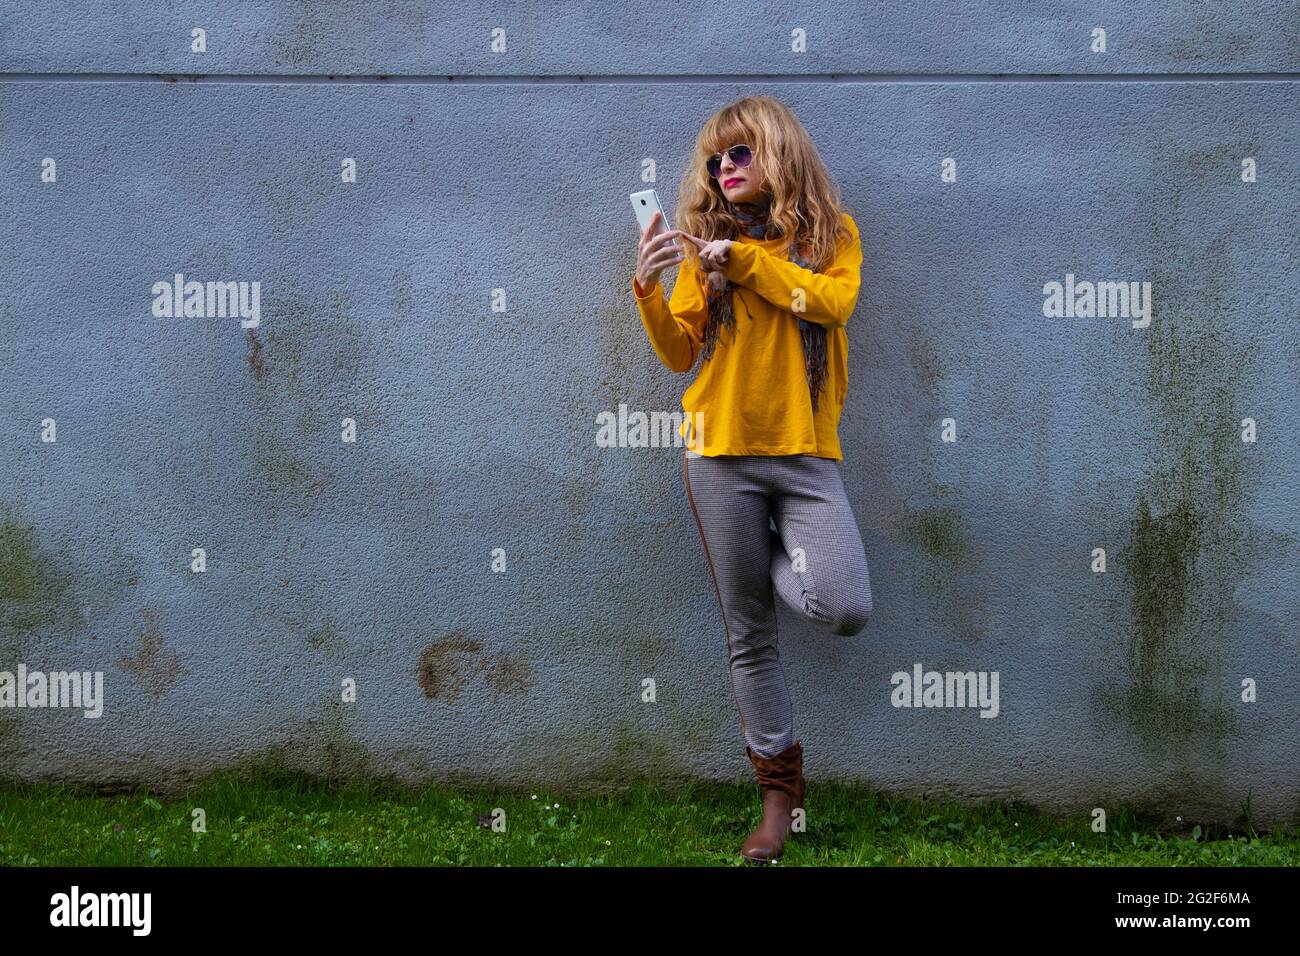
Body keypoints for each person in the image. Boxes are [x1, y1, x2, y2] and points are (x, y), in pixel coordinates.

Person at [631, 94, 873, 864]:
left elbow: (830, 304)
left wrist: (745, 263)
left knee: (843, 607)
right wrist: (648, 287)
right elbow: (679, 352)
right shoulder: (703, 246)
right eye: (715, 160)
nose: (724, 168)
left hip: (804, 454)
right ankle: (778, 803)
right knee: (750, 636)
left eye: (741, 153)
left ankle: (770, 552)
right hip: (718, 453)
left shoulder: (832, 238)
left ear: (778, 155)